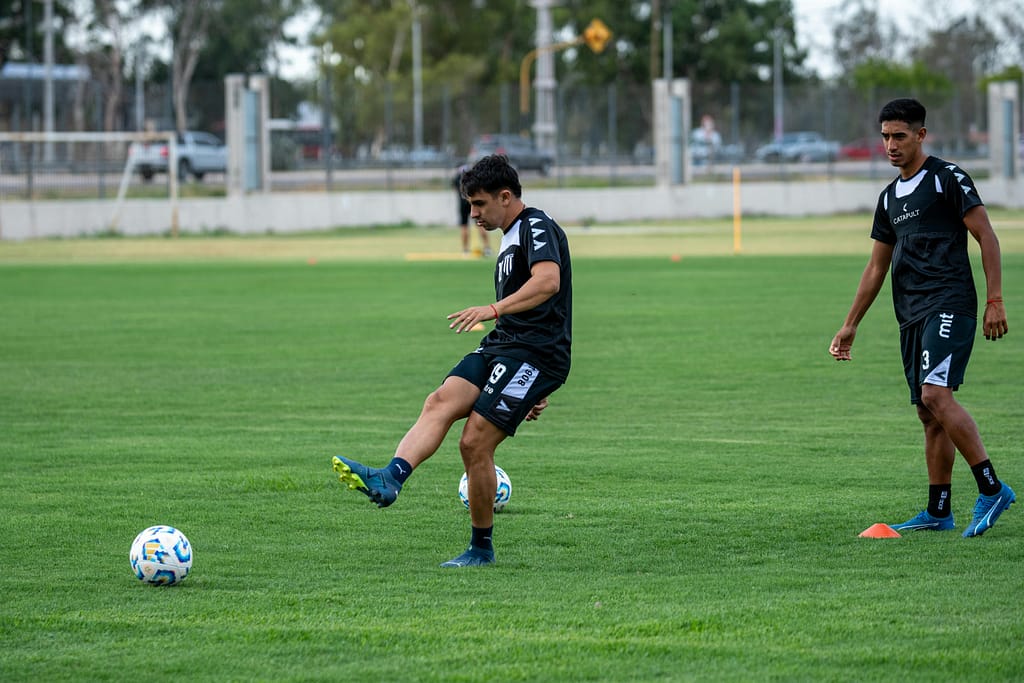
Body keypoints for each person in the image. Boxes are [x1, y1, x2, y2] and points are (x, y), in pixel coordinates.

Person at [333, 154, 572, 566]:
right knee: (440, 400)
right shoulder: (510, 234)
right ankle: (390, 477)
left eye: (479, 204)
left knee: (474, 442)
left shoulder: (535, 224)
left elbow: (548, 282)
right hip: (506, 347)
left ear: (505, 196)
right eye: (470, 205)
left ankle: (481, 550)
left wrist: (493, 310)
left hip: (535, 353)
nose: (473, 214)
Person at [829, 97, 1014, 537]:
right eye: (885, 137)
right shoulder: (889, 197)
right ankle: (938, 511)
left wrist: (996, 300)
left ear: (920, 135)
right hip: (910, 313)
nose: (891, 145)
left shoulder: (947, 178)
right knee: (927, 414)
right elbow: (877, 266)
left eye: (899, 136)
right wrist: (851, 322)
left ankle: (992, 489)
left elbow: (986, 235)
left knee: (935, 394)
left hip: (949, 303)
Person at [453, 163, 491, 256]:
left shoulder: (457, 177)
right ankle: (487, 248)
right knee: (480, 225)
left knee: (464, 226)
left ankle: (465, 250)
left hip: (462, 203)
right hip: (473, 202)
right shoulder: (473, 177)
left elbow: (454, 188)